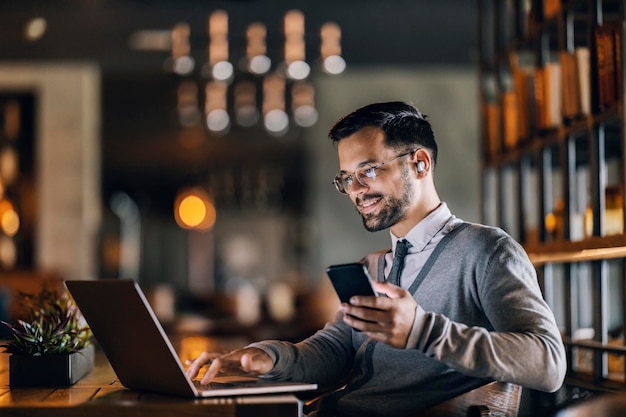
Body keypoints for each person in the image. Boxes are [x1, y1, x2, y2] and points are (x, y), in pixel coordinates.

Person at [187, 101, 566, 417]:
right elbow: (335, 350)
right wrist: (265, 359)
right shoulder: (375, 267)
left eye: (368, 170)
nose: (355, 190)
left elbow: (549, 364)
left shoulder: (487, 250)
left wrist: (422, 331)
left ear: (420, 163)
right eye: (346, 178)